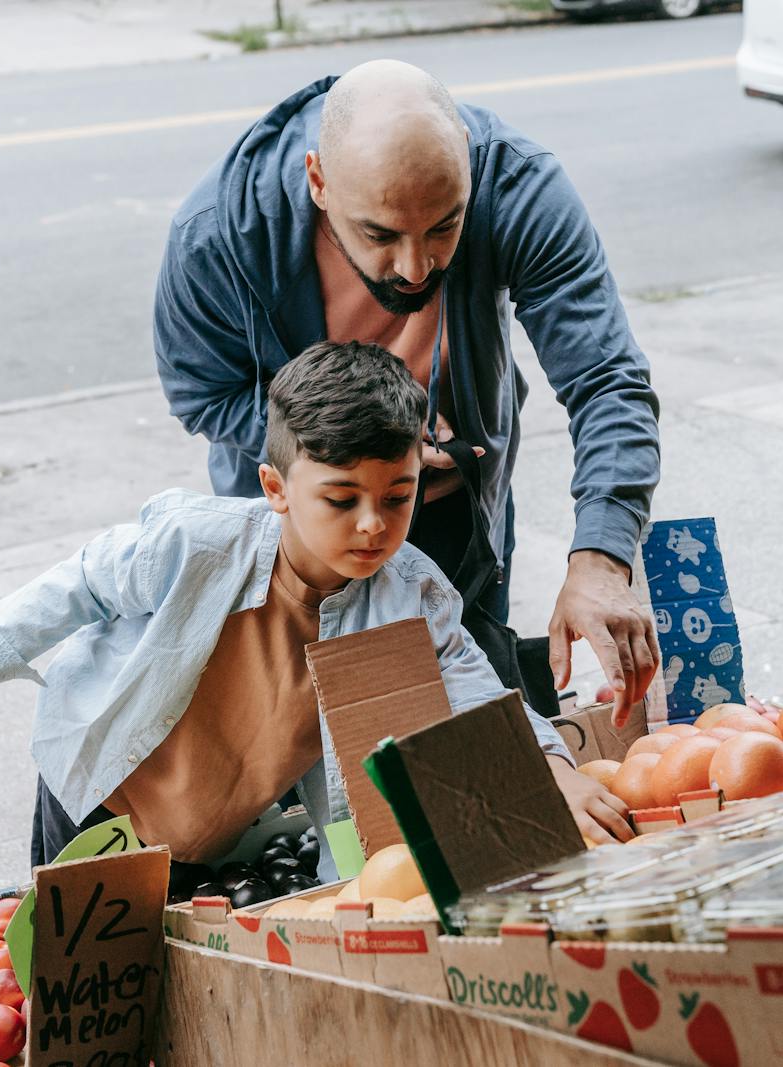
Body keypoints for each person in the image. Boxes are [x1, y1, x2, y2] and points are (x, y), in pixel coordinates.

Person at [0, 341, 634, 875]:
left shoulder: (409, 593)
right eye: (340, 498)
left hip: (217, 826)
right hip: (97, 790)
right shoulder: (193, 543)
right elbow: (78, 583)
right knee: (84, 974)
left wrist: (552, 768)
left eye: (397, 496)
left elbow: (476, 688)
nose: (372, 525)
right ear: (275, 486)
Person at [154, 59, 661, 727]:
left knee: (476, 730)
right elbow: (203, 392)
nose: (416, 267)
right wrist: (354, 450)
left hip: (460, 512)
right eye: (380, 234)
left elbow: (606, 378)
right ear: (320, 183)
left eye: (444, 227)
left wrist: (601, 558)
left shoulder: (519, 189)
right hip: (306, 531)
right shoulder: (219, 236)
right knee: (323, 742)